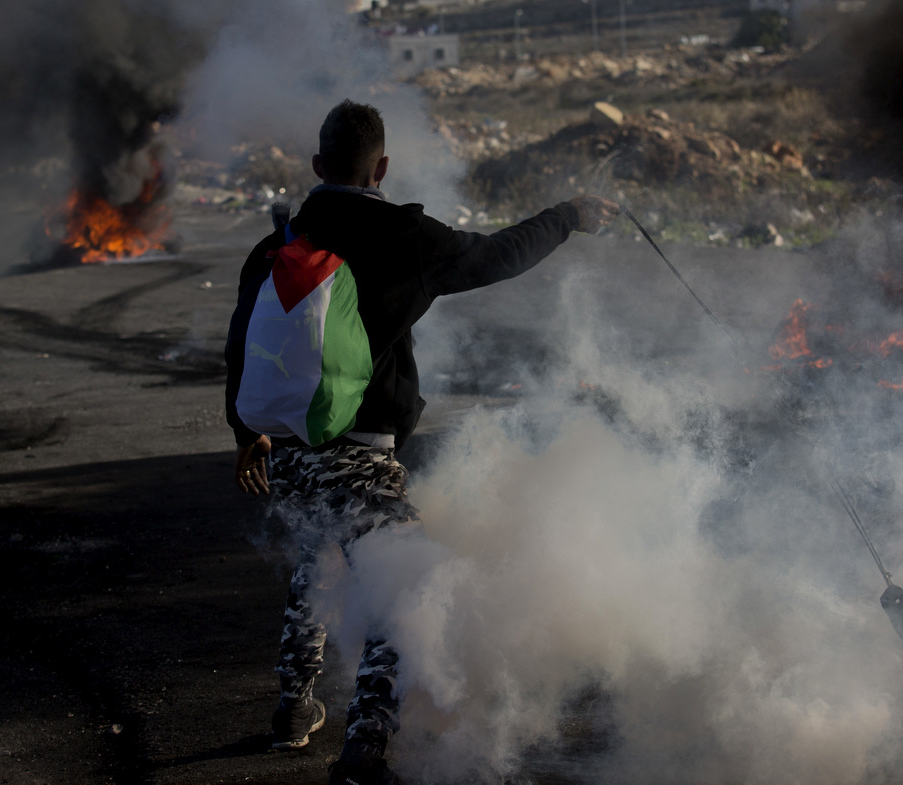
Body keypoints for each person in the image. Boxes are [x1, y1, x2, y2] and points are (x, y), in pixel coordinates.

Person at [224, 99, 619, 785]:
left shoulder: (277, 244)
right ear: (381, 167)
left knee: (317, 560)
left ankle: (294, 708)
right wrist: (568, 215)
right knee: (403, 593)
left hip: (287, 447)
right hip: (363, 454)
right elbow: (498, 254)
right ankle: (364, 750)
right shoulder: (403, 238)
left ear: (318, 167)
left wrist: (245, 436)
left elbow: (241, 347)